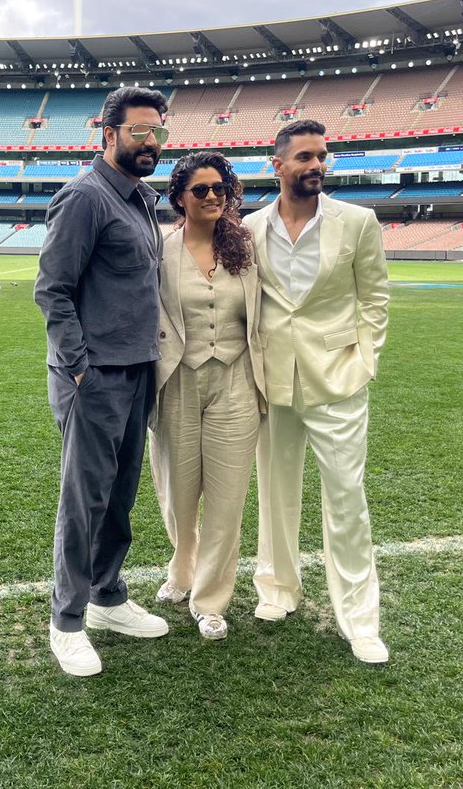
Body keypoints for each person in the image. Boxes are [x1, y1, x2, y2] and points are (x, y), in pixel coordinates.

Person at [242, 118, 391, 664]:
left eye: (322, 156)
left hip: (338, 380)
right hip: (273, 377)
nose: (317, 166)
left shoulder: (358, 221)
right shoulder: (250, 226)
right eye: (304, 157)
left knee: (347, 500)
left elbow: (375, 298)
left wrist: (365, 360)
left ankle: (359, 619)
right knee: (275, 491)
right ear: (276, 164)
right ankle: (277, 589)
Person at [34, 86, 171, 677]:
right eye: (139, 131)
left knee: (119, 494)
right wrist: (80, 364)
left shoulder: (141, 197)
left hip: (139, 366)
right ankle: (66, 621)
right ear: (108, 134)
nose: (151, 142)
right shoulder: (85, 197)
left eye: (158, 132)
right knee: (83, 499)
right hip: (94, 376)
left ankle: (107, 596)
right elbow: (52, 289)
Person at [148, 151, 265, 641]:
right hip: (176, 379)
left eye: (221, 187)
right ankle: (182, 569)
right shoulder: (159, 248)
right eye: (201, 189)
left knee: (226, 498)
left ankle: (210, 599)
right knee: (177, 494)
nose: (214, 195)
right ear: (180, 198)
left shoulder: (248, 248)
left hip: (236, 381)